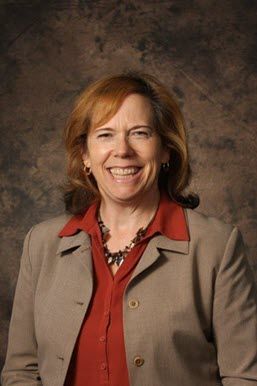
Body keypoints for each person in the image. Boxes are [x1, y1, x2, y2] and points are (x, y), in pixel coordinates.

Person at [1, 72, 257, 386]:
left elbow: (245, 377)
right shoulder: (40, 244)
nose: (122, 150)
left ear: (165, 150)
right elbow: (21, 372)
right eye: (105, 134)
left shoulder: (216, 246)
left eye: (139, 133)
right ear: (85, 155)